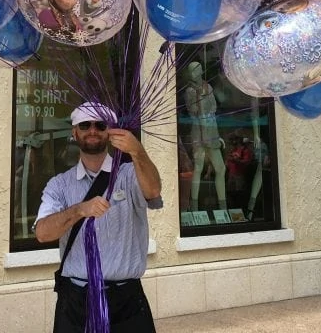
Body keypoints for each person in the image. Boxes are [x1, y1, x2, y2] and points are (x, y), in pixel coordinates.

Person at [35, 102, 163, 333]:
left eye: (100, 125)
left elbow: (153, 191)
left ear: (110, 132)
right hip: (76, 301)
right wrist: (79, 210)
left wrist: (138, 151)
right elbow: (43, 233)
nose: (92, 130)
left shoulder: (129, 174)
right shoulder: (60, 185)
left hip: (126, 301)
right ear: (75, 132)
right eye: (85, 125)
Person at [183, 61, 226, 212]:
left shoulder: (209, 88)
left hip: (211, 131)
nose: (194, 74)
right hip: (198, 133)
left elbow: (214, 107)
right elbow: (193, 111)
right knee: (198, 168)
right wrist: (199, 98)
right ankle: (194, 207)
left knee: (220, 168)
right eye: (191, 71)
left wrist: (217, 135)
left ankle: (223, 207)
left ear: (201, 71)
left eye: (196, 70)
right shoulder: (189, 91)